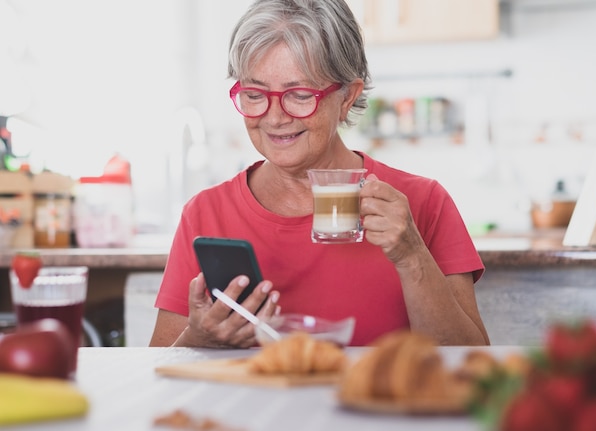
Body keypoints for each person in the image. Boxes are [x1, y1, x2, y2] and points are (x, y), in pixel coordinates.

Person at [150, 0, 489, 348]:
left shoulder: (423, 202)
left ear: (347, 98)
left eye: (299, 94)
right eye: (254, 94)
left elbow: (472, 366)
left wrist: (411, 255)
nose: (275, 117)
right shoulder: (205, 213)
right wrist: (200, 338)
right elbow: (158, 370)